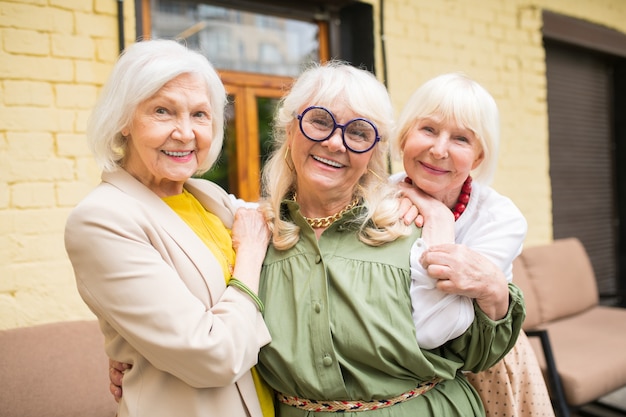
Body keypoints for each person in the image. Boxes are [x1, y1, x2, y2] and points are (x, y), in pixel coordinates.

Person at [256, 61, 525, 416]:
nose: (335, 142)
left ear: (373, 149)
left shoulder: (430, 224)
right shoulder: (253, 234)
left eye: (358, 132)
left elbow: (468, 348)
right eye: (320, 121)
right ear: (291, 128)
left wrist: (493, 288)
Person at [64, 39, 273, 417]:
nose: (185, 133)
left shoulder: (208, 195)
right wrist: (251, 255)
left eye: (199, 114)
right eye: (163, 111)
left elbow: (295, 219)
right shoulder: (101, 220)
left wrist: (404, 193)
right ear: (123, 120)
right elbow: (213, 356)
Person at [390, 72, 555, 416]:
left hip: (482, 368)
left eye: (461, 139)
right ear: (405, 135)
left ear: (478, 158)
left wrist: (437, 216)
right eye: (429, 129)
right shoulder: (377, 195)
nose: (438, 150)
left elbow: (435, 325)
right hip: (394, 378)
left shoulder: (499, 218)